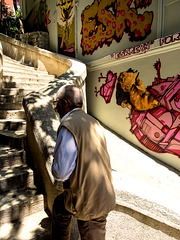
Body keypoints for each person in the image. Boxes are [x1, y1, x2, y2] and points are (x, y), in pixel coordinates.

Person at [52, 84, 116, 240]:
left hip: (90, 201)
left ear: (65, 103)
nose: (56, 109)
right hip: (104, 192)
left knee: (91, 232)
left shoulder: (69, 125)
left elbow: (60, 173)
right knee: (60, 206)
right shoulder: (93, 122)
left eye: (57, 104)